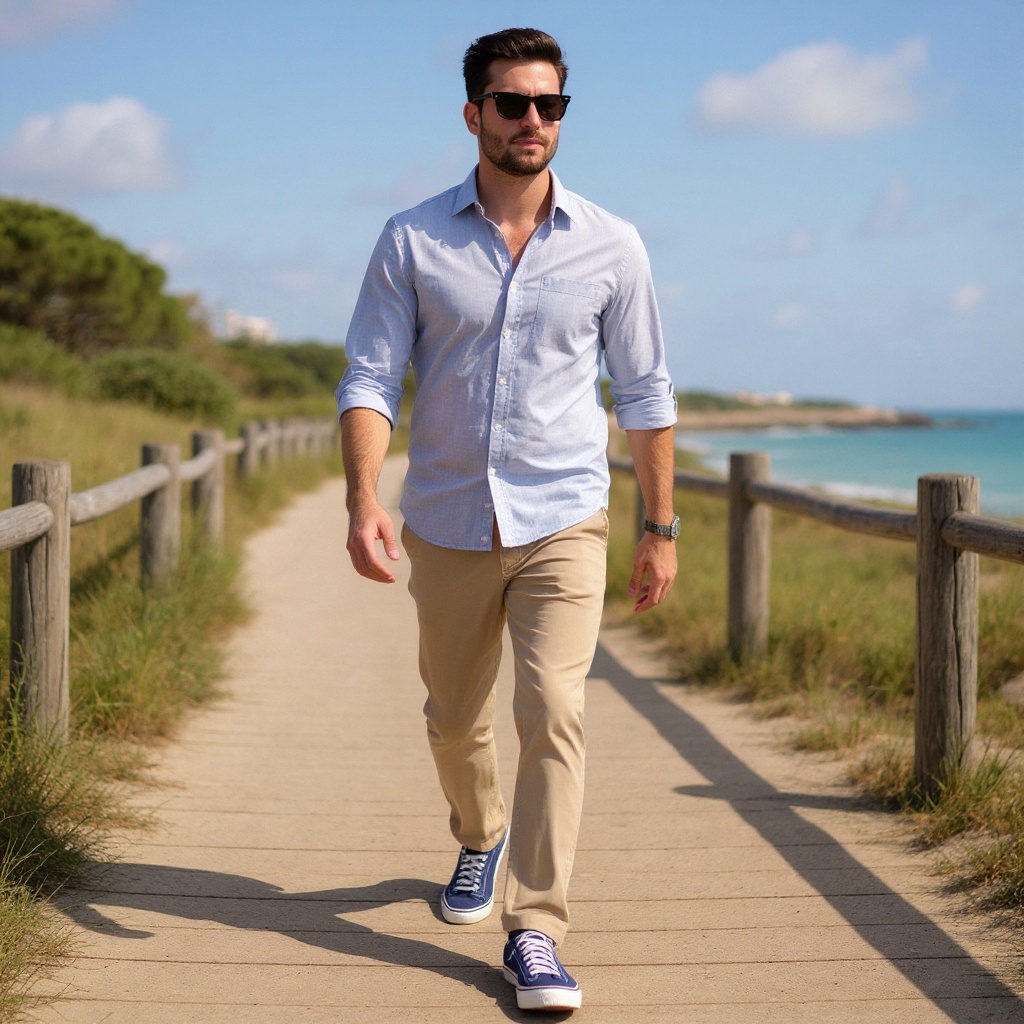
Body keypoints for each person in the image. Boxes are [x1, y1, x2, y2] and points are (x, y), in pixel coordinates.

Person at [336, 27, 678, 1013]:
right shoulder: (411, 239)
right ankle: (477, 833)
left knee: (555, 710)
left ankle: (537, 931)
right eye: (513, 103)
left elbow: (646, 391)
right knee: (452, 716)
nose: (534, 121)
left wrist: (659, 526)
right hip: (444, 516)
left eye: (550, 105)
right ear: (473, 113)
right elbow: (368, 375)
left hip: (565, 516)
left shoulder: (614, 244)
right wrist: (364, 497)